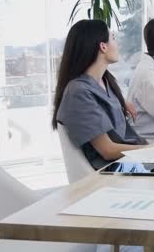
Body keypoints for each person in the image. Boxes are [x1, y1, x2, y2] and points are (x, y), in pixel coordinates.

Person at [52, 20, 147, 170]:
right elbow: (108, 151)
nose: (118, 44)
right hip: (113, 170)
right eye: (113, 38)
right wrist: (153, 151)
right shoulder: (78, 92)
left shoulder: (105, 82)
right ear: (103, 46)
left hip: (130, 162)